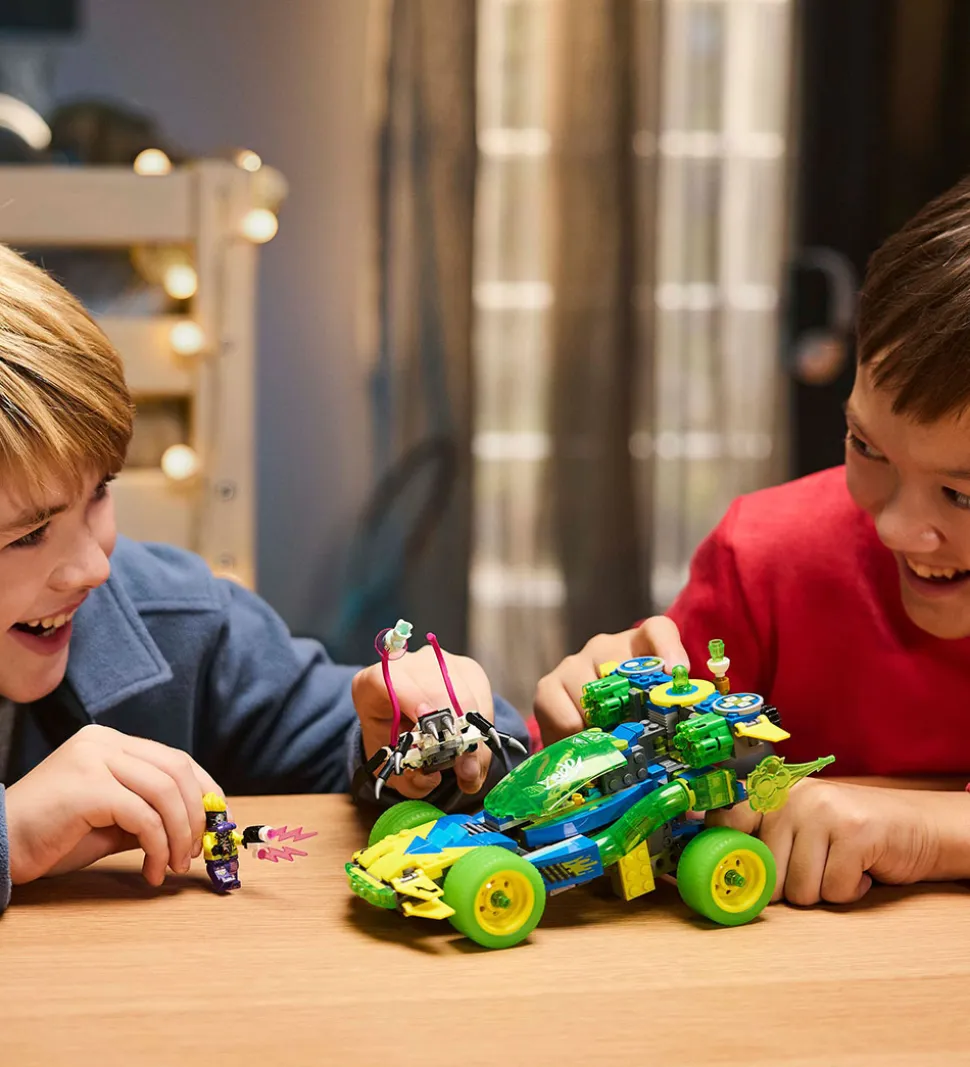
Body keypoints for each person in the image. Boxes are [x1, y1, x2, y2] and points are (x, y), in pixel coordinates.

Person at [0, 243, 528, 914]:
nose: (94, 567)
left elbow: (496, 763)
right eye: (27, 534)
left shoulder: (179, 624)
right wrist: (10, 834)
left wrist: (419, 742)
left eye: (99, 491)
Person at [534, 174, 970, 909]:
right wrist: (586, 724)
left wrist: (933, 833)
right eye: (868, 447)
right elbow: (592, 792)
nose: (894, 527)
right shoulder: (768, 558)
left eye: (961, 493)